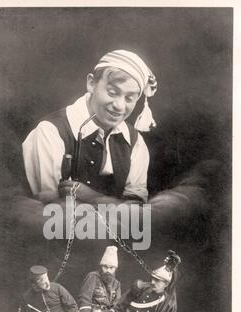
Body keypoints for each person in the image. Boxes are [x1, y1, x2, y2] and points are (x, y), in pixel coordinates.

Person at [22, 49, 157, 205]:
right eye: (112, 92)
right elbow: (49, 214)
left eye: (129, 98)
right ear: (91, 83)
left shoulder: (135, 142)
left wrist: (94, 198)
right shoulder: (50, 132)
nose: (120, 106)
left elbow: (137, 214)